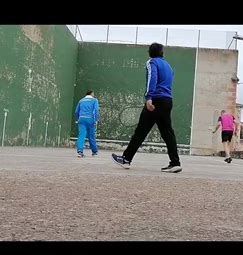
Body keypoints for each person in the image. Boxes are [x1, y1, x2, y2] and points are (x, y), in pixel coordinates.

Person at [111, 43, 182, 173]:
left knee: (141, 131)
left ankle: (126, 159)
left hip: (155, 100)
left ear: (150, 53)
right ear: (162, 53)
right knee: (168, 133)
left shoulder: (152, 62)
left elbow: (152, 77)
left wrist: (149, 97)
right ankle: (175, 163)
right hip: (167, 100)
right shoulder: (168, 66)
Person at [74, 90, 99, 157]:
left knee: (81, 135)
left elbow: (76, 112)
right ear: (91, 94)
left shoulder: (81, 100)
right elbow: (96, 110)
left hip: (81, 119)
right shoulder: (94, 100)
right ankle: (94, 151)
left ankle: (80, 151)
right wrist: (96, 120)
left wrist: (78, 119)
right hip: (90, 119)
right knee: (91, 135)